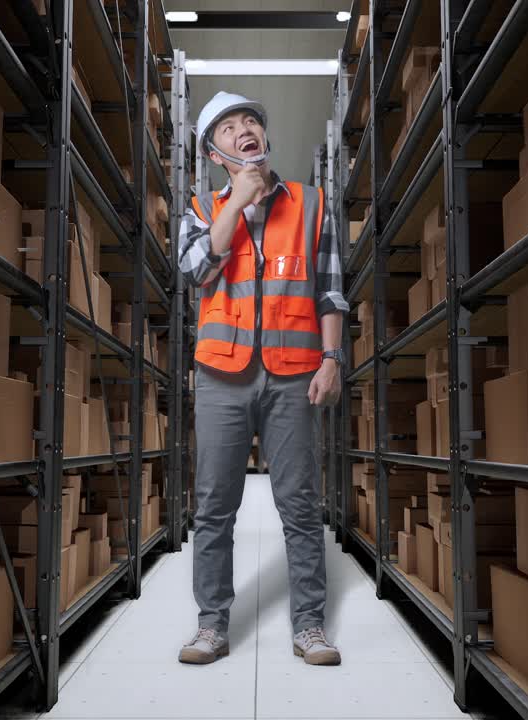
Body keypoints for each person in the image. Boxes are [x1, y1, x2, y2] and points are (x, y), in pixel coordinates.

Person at [176, 92, 349, 666]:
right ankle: (211, 626)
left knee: (300, 504)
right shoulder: (200, 209)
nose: (244, 130)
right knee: (214, 505)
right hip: (222, 375)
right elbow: (198, 271)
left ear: (263, 136)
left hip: (294, 374)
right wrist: (236, 203)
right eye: (228, 127)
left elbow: (329, 290)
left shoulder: (310, 203)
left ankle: (310, 626)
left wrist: (331, 359)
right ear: (214, 153)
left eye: (251, 121)